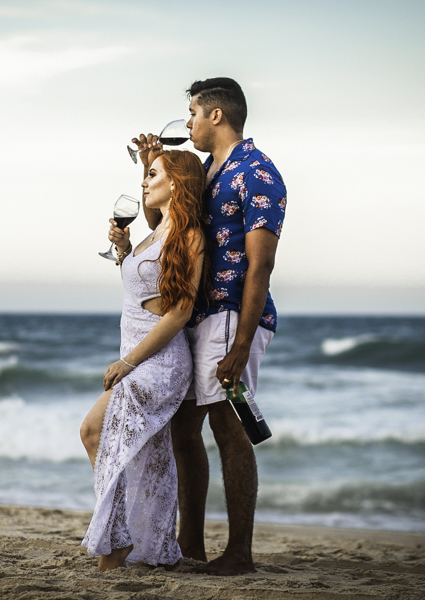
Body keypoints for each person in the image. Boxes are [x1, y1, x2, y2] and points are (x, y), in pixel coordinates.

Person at [131, 77, 287, 575]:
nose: (190, 123)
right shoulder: (211, 171)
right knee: (183, 428)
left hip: (229, 316)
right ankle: (190, 547)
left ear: (216, 115)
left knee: (228, 424)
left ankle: (239, 552)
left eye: (194, 113)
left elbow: (261, 266)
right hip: (200, 317)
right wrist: (149, 168)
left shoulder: (256, 172)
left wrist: (241, 341)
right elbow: (170, 217)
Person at [79, 150, 207, 571]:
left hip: (160, 363)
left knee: (94, 430)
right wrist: (124, 251)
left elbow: (180, 312)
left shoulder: (189, 235)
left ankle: (116, 544)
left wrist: (129, 363)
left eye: (152, 174)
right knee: (142, 454)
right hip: (136, 355)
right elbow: (143, 290)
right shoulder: (157, 232)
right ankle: (137, 543)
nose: (144, 181)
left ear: (176, 183)